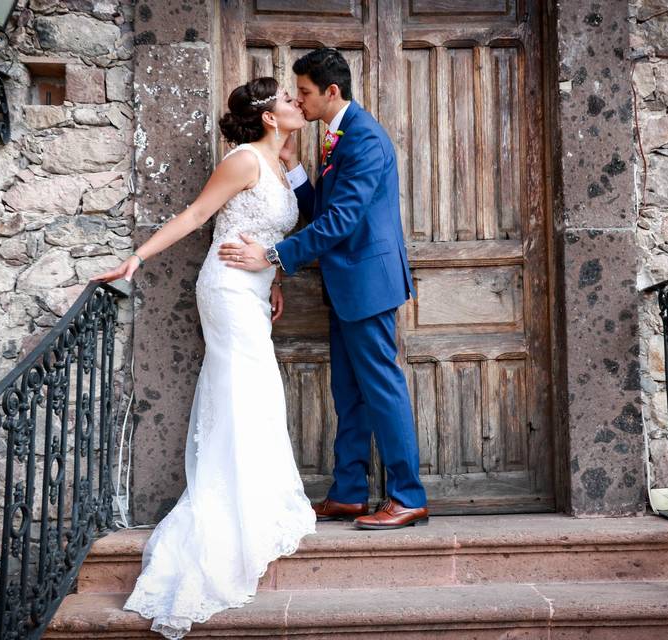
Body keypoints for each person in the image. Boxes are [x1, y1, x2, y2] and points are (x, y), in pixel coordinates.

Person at [90, 76, 316, 639]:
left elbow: (267, 231)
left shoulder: (282, 161)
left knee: (254, 390)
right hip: (224, 291)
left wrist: (273, 278)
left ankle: (255, 498)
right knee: (248, 388)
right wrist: (135, 259)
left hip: (254, 289)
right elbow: (196, 217)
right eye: (288, 99)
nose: (297, 103)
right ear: (268, 116)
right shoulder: (241, 161)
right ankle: (231, 512)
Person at [218, 48, 429, 531]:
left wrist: (274, 256)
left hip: (368, 285)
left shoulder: (365, 139)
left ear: (332, 92)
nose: (301, 100)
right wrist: (293, 169)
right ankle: (350, 493)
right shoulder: (338, 137)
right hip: (347, 285)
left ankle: (408, 495)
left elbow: (342, 220)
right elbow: (324, 209)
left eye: (307, 93)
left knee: (381, 388)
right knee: (348, 392)